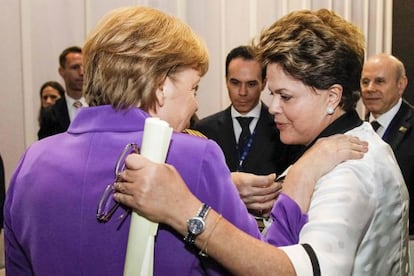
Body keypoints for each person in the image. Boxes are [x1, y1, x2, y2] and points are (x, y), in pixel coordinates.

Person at [4, 6, 367, 276]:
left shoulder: (30, 162)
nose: (196, 103)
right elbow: (265, 264)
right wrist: (301, 179)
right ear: (160, 87)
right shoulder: (193, 155)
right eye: (193, 87)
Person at [113, 9, 409, 275]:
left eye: (286, 96)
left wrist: (185, 210)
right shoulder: (330, 149)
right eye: (272, 94)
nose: (272, 107)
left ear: (332, 97)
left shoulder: (349, 170)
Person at [194, 45, 300, 175]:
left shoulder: (285, 129)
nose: (242, 92)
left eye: (251, 84)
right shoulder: (203, 130)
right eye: (235, 83)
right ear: (226, 81)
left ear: (263, 83)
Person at [360, 53, 414, 235]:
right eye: (365, 82)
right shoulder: (356, 129)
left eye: (379, 81)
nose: (370, 88)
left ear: (401, 84)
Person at [37, 46, 85, 139]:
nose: (82, 72)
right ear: (62, 71)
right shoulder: (51, 114)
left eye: (85, 67)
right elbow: (44, 149)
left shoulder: (101, 106)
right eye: (75, 67)